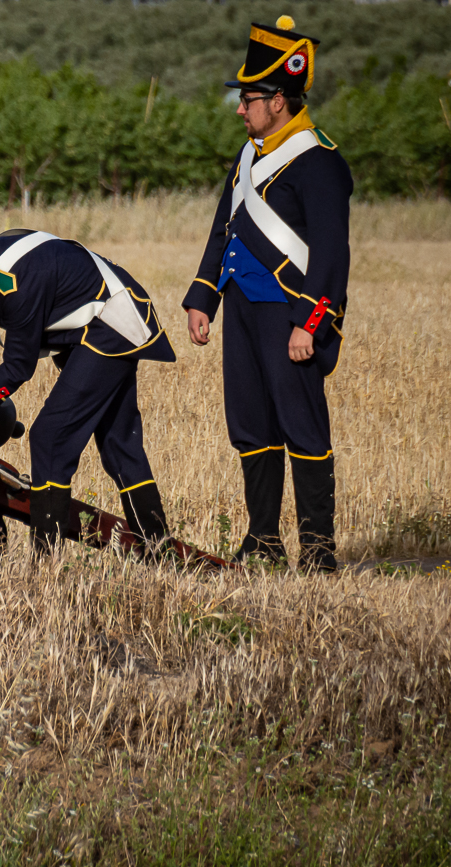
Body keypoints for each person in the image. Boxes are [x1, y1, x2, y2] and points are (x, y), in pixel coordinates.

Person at [182, 15, 352, 572]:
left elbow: (331, 254)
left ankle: (319, 552)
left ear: (279, 100)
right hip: (242, 309)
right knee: (250, 423)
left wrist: (310, 322)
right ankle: (263, 542)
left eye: (248, 99)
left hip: (288, 313)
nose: (240, 109)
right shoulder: (249, 154)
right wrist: (202, 297)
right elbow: (224, 228)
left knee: (301, 425)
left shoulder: (319, 161)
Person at [0, 204, 178, 555]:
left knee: (50, 437)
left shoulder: (16, 287)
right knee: (119, 443)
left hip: (112, 324)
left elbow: (17, 369)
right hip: (92, 327)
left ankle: (46, 559)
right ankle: (159, 548)